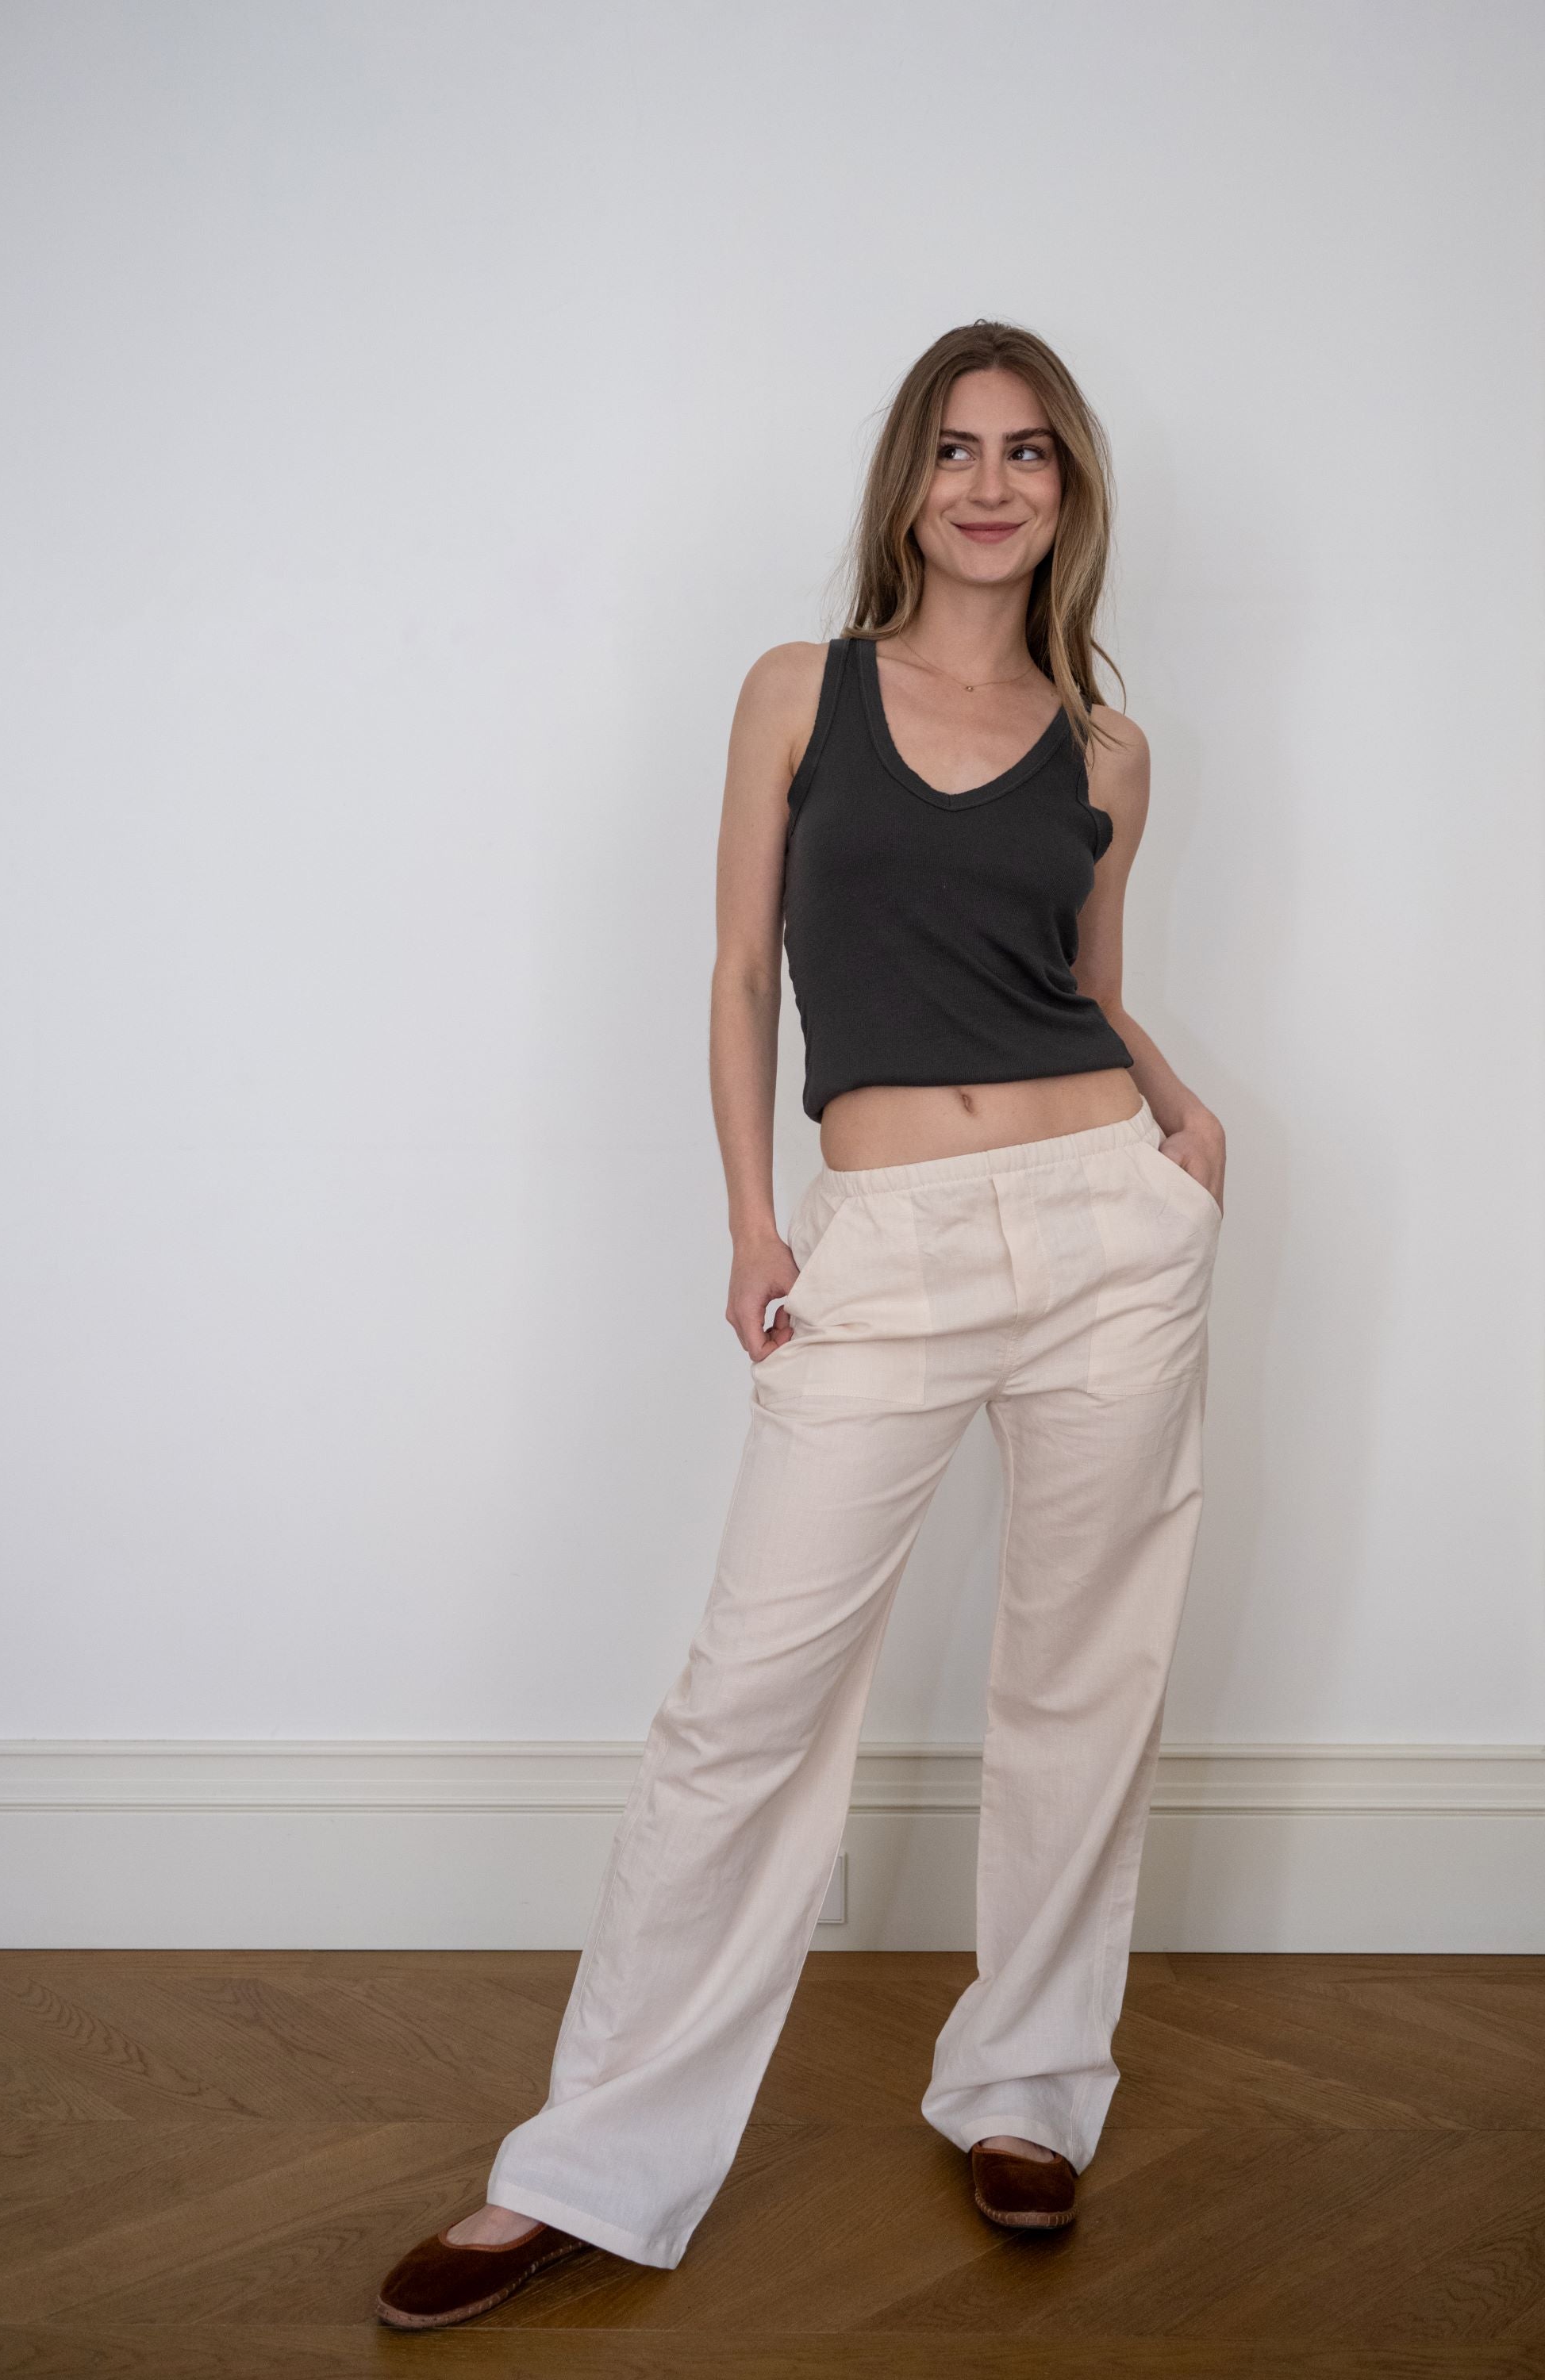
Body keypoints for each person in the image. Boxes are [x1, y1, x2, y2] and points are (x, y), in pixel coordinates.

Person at [376, 317, 1226, 2331]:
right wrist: (755, 1218)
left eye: (1028, 452)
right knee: (742, 1708)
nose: (991, 485)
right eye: (956, 449)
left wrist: (1185, 1124)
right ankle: (586, 2165)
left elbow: (1088, 982)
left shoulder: (1109, 750)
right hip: (883, 1245)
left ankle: (1025, 2088)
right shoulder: (799, 690)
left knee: (1084, 1676)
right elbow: (740, 961)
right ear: (907, 484)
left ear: (1068, 492)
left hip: (1108, 1227)